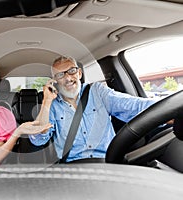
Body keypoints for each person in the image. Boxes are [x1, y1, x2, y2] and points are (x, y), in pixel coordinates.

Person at [29, 55, 157, 163]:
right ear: (55, 80)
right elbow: (38, 140)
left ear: (79, 73)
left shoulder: (97, 91)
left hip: (107, 161)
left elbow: (133, 106)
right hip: (72, 166)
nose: (68, 78)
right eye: (60, 75)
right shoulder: (52, 105)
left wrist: (170, 108)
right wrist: (46, 101)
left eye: (72, 71)